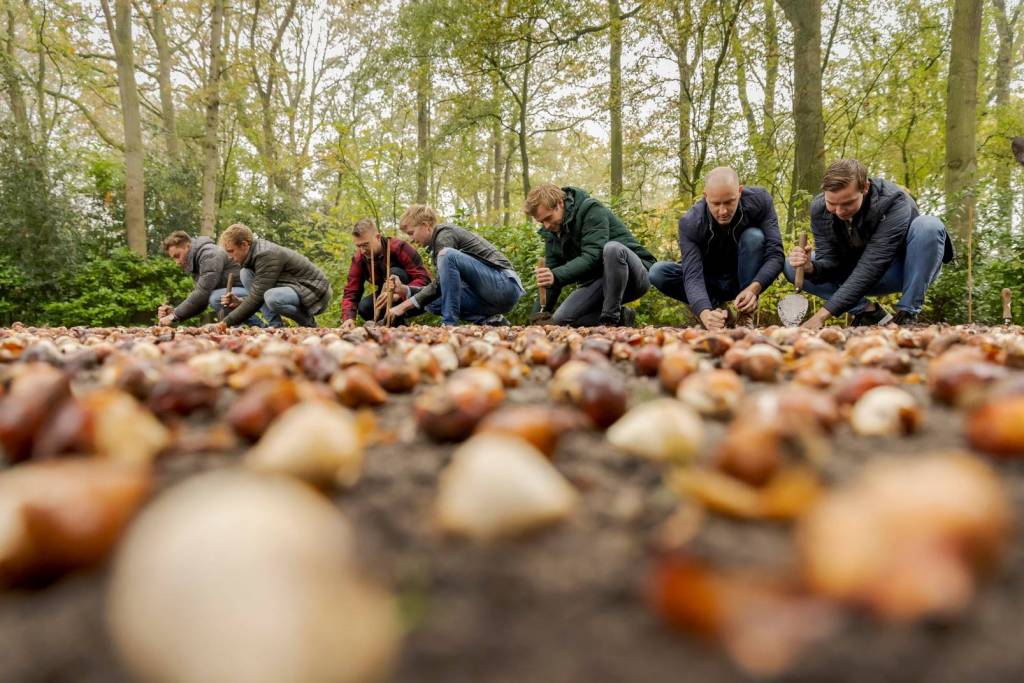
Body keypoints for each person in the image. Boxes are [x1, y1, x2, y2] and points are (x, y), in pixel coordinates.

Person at [785, 158, 954, 329]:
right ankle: (868, 313)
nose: (839, 211)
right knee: (791, 266)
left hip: (901, 271)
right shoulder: (819, 208)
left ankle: (906, 314)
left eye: (847, 203)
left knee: (929, 226)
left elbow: (872, 265)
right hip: (853, 273)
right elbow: (830, 262)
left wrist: (822, 316)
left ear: (865, 188)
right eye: (832, 204)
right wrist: (810, 268)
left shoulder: (894, 201)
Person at [648, 167, 784, 330]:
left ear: (740, 192)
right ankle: (717, 312)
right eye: (715, 204)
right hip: (709, 282)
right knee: (658, 272)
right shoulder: (691, 222)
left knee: (754, 236)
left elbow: (776, 254)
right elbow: (692, 275)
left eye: (729, 202)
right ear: (706, 197)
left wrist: (754, 288)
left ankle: (745, 315)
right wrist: (704, 312)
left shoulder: (760, 201)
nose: (723, 211)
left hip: (743, 280)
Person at [524, 183, 655, 326]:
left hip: (634, 275)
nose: (546, 225)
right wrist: (536, 319)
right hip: (598, 281)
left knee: (613, 249)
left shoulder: (591, 209)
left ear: (560, 203)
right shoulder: (552, 232)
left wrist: (555, 275)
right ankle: (623, 317)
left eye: (548, 218)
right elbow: (551, 280)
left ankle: (610, 319)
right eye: (541, 221)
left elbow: (593, 256)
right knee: (560, 321)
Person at [386, 205, 523, 326]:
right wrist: (405, 290)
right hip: (487, 297)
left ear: (426, 225)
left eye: (411, 233)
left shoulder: (444, 234)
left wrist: (403, 306)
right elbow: (439, 287)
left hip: (505, 284)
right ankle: (492, 320)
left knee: (447, 255)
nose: (411, 239)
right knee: (432, 301)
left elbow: (439, 284)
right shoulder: (436, 246)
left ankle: (449, 324)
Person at [217, 223, 332, 328]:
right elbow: (257, 296)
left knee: (272, 298)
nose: (229, 257)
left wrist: (225, 323)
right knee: (245, 273)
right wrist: (240, 302)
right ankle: (275, 325)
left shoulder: (266, 255)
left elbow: (257, 298)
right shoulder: (252, 259)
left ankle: (309, 323)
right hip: (293, 287)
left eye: (231, 251)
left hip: (314, 290)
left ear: (244, 245)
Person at [340, 218, 432, 326]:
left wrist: (399, 294)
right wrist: (348, 318)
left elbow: (424, 279)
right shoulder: (360, 259)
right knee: (364, 307)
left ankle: (396, 317)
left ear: (378, 237)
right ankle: (395, 324)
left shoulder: (398, 247)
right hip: (385, 298)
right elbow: (351, 291)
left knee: (394, 273)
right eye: (358, 246)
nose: (362, 250)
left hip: (416, 297)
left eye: (365, 244)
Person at [158, 231, 261, 326]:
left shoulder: (209, 254)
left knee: (217, 297)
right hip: (237, 294)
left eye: (177, 256)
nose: (177, 262)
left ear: (187, 246)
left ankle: (258, 328)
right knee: (218, 297)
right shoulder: (197, 260)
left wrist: (174, 316)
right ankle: (243, 330)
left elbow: (202, 294)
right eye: (174, 258)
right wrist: (174, 311)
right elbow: (201, 302)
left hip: (255, 292)